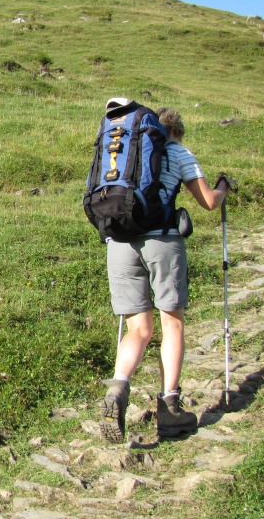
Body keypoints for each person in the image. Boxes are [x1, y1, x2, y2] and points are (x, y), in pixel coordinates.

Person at [98, 99, 232, 442]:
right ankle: (170, 408)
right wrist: (223, 188)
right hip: (162, 242)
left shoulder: (124, 153)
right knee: (172, 323)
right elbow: (208, 202)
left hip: (120, 243)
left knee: (138, 329)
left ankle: (118, 389)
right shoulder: (179, 152)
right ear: (177, 130)